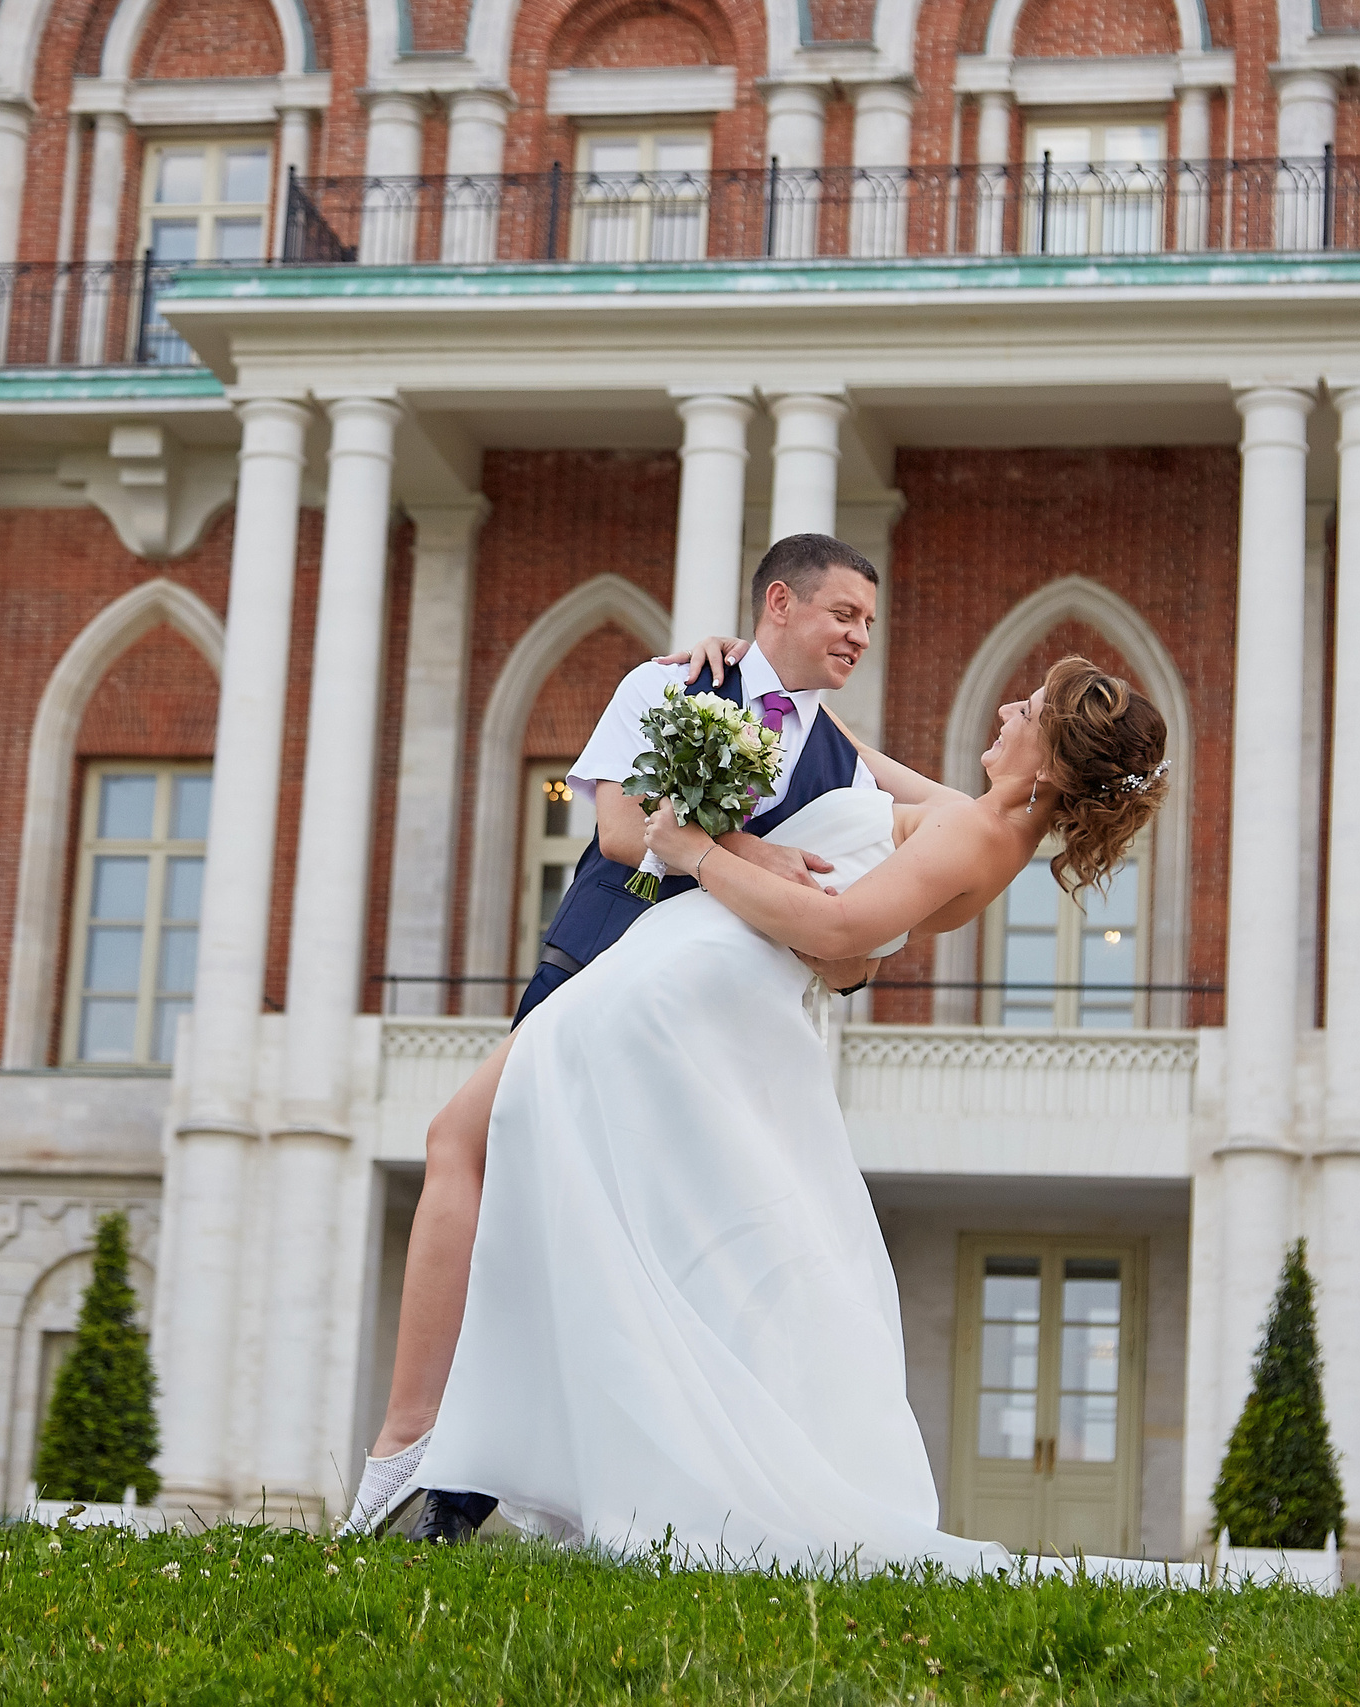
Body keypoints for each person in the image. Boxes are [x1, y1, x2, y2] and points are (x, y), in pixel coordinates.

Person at [404, 656, 1168, 1569]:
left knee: (591, 1200)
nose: (1006, 706)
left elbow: (841, 931)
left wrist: (697, 853)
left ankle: (496, 1467)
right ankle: (505, 1466)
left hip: (682, 995)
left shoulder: (980, 839)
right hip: (692, 986)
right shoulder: (986, 818)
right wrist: (758, 676)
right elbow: (857, 760)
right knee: (632, 1219)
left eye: (1030, 708)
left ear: (1047, 765)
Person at [340, 533, 945, 1540]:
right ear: (778, 606)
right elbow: (624, 832)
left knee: (589, 1216)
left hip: (696, 1020)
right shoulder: (674, 685)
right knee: (488, 1165)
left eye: (870, 624)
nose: (859, 637)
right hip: (595, 964)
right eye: (843, 613)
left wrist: (1070, 777)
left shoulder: (841, 752)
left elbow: (958, 819)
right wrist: (751, 846)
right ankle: (438, 1463)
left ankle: (460, 1466)